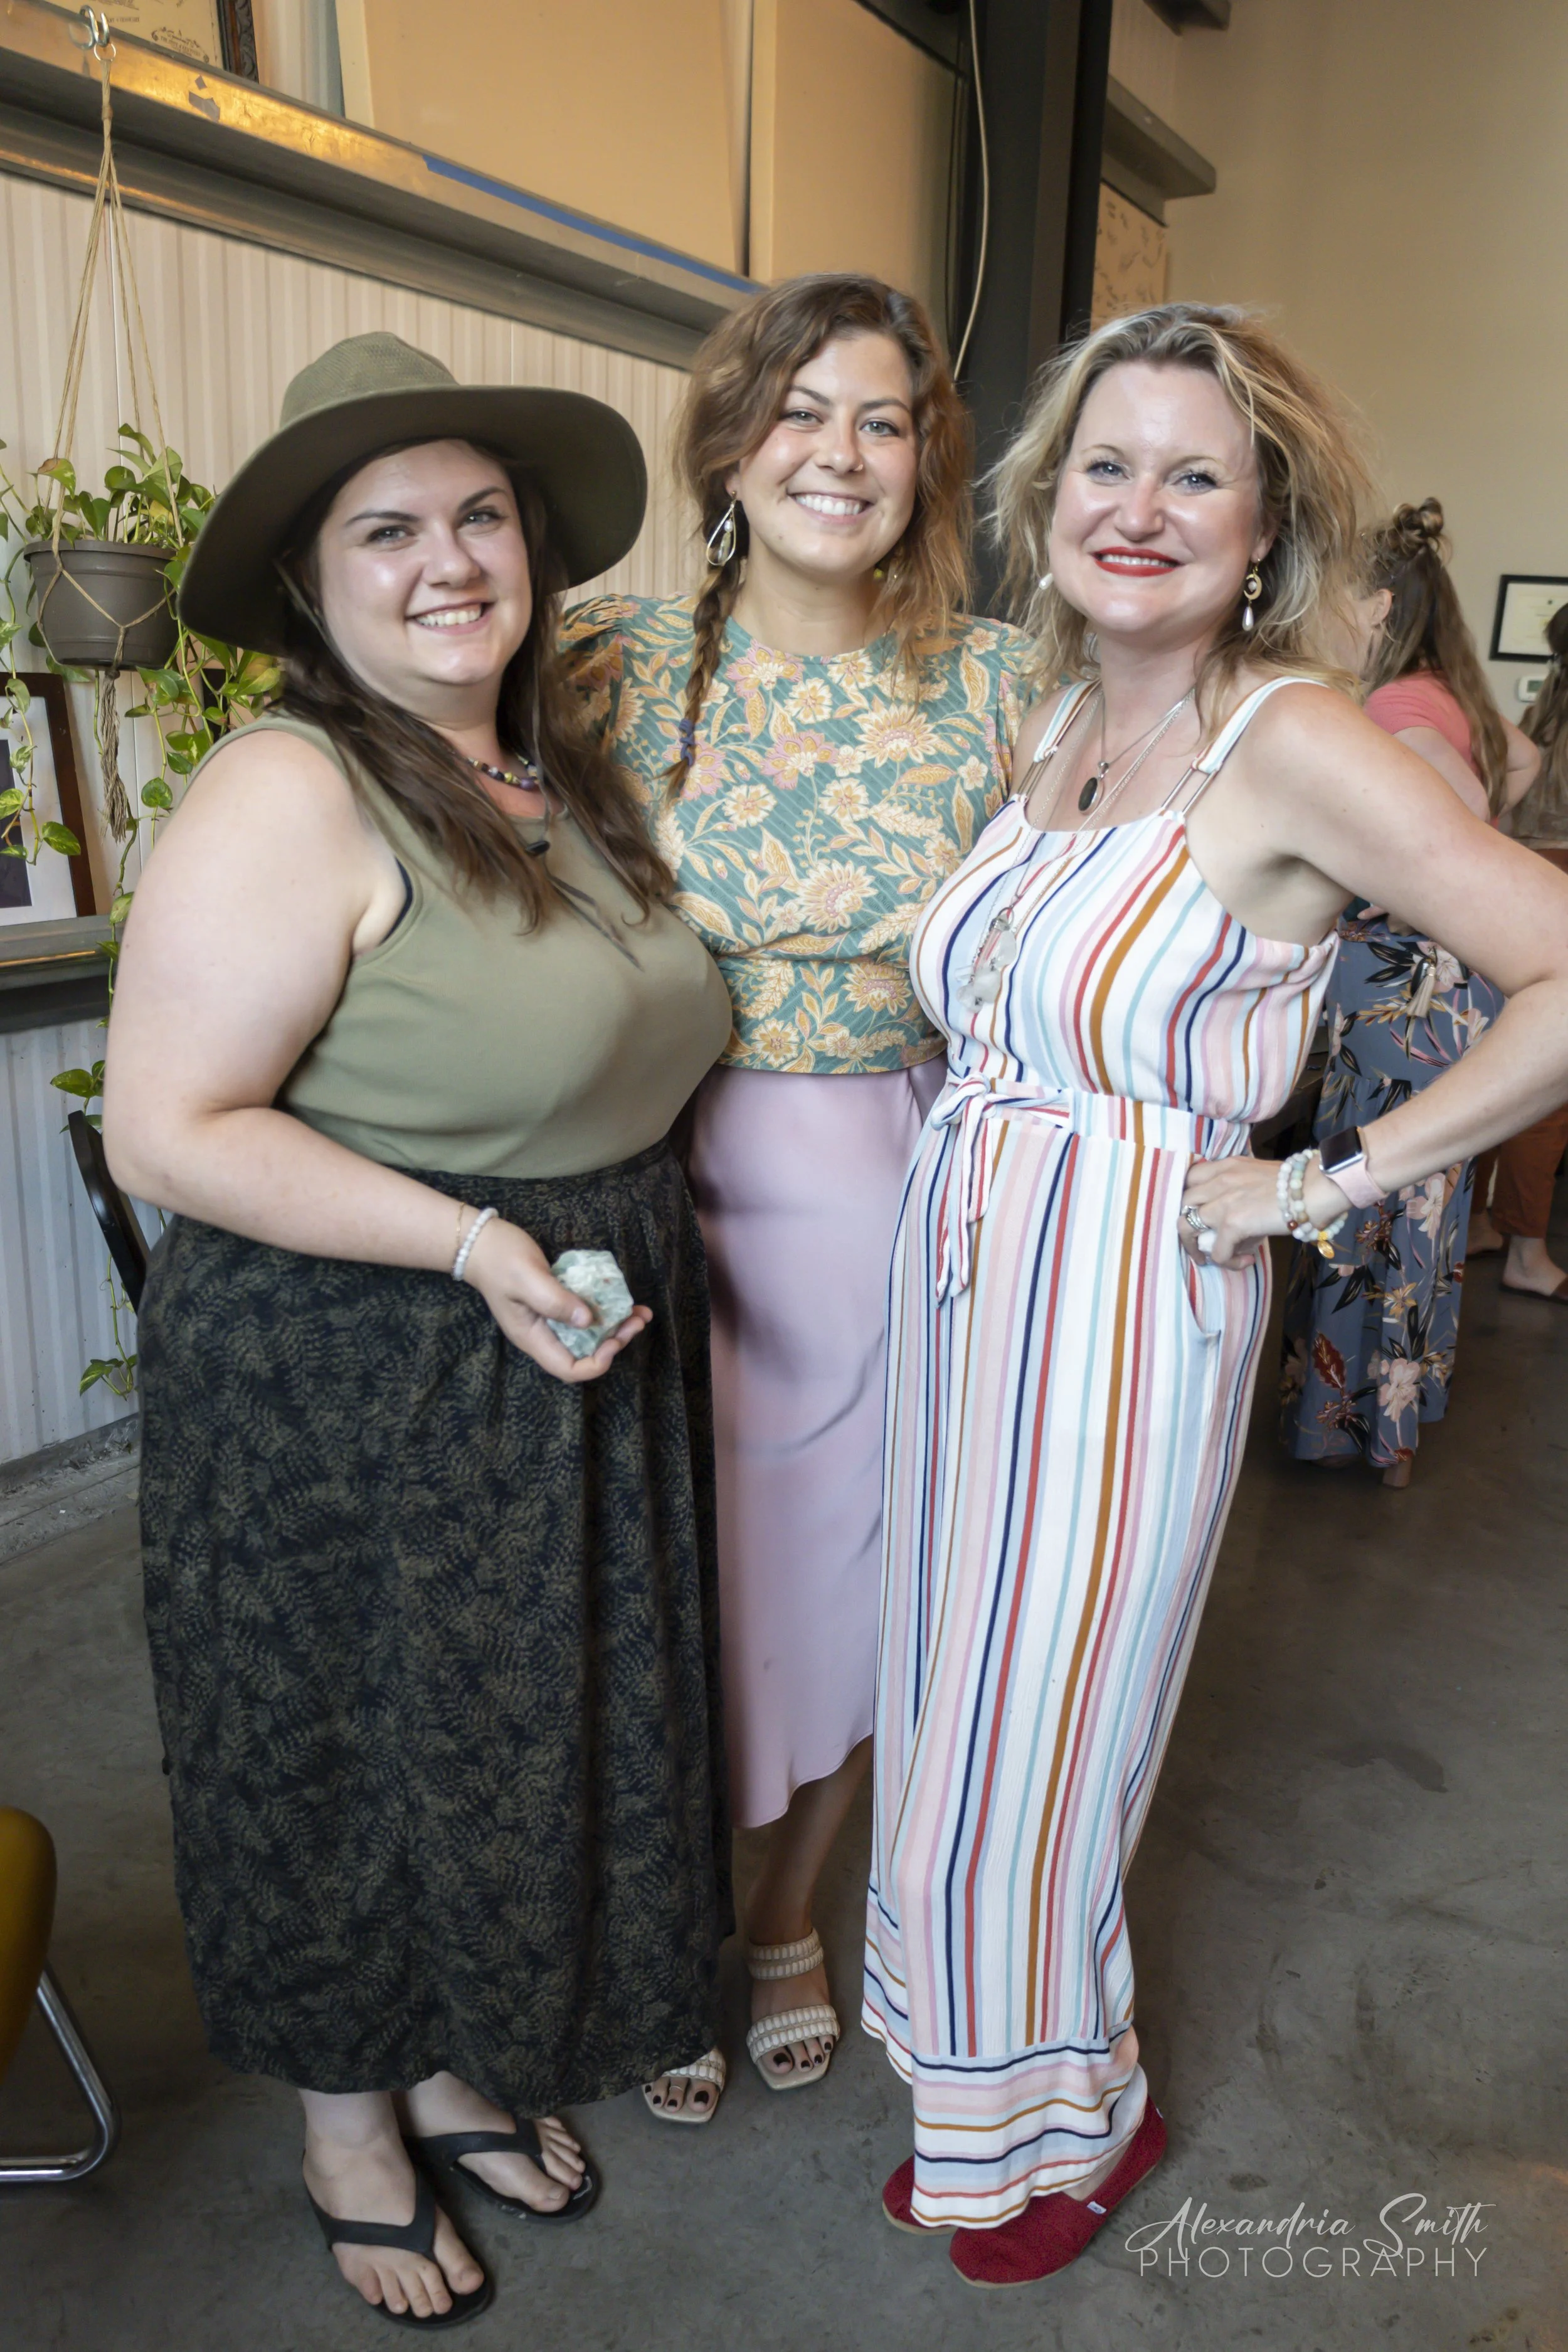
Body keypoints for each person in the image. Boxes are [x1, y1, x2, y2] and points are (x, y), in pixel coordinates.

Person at [862, 304, 1568, 2289]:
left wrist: (1332, 1178)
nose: (1137, 506)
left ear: (1260, 527)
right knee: (936, 1698)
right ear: (1044, 497)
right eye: (1103, 463)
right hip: (956, 1271)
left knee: (1038, 1723)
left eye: (1192, 473)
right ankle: (975, 2079)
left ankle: (1057, 2120)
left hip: (1112, 1291)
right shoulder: (1048, 725)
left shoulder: (1290, 740)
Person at [103, 333, 734, 2328]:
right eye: (384, 528)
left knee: (494, 1746)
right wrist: (473, 1247)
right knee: (339, 1745)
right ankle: (348, 2123)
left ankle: (453, 2052)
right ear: (312, 583)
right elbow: (169, 1129)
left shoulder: (553, 767)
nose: (444, 559)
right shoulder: (289, 785)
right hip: (353, 1358)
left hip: (562, 1333)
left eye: (477, 515)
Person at [563, 274, 1029, 2118]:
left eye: (882, 418)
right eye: (798, 410)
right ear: (728, 441)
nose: (837, 452)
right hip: (647, 1172)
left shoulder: (1004, 681)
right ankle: (666, 1918)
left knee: (844, 1582)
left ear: (927, 459)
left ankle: (777, 1913)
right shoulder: (609, 664)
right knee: (661, 1580)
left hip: (884, 1181)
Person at [1281, 499, 1540, 1483]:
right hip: (1448, 990)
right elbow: (1521, 759)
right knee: (1420, 1204)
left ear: (1382, 605)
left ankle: (1346, 1428)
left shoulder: (1391, 707)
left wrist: (1417, 874)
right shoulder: (1451, 692)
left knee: (1361, 1193)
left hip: (1400, 994)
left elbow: (1453, 822)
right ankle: (1396, 1420)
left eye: (1341, 592)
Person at [1469, 598, 1568, 1297]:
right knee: (1547, 1088)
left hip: (1513, 887)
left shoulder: (1541, 716)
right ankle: (1527, 1256)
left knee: (1494, 1065)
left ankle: (1481, 1224)